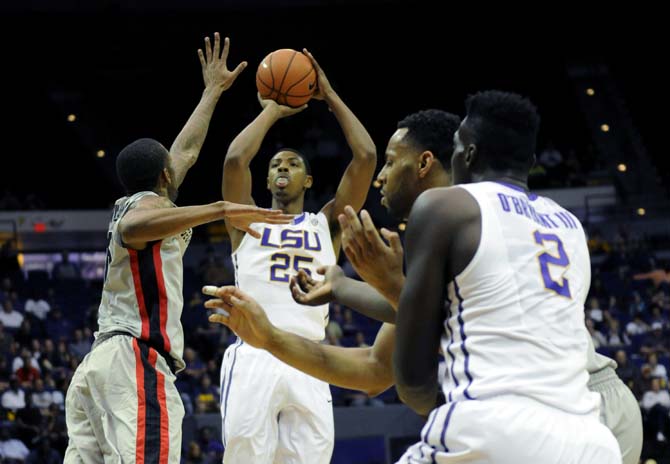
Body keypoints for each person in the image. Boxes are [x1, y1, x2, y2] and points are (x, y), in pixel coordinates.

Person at [63, 33, 291, 464]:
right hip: (134, 361)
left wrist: (211, 92)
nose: (178, 163)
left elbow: (184, 151)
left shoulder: (148, 198)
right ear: (165, 177)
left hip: (101, 366)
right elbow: (135, 227)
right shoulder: (138, 212)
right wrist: (221, 208)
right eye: (172, 167)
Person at [391, 90, 619, 462]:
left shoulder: (446, 206)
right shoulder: (571, 226)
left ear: (467, 155)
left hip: (493, 427)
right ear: (529, 161)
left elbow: (413, 383)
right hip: (590, 440)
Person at [217, 48, 376, 463]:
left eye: (292, 162)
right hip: (255, 352)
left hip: (309, 353)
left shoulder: (326, 224)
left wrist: (330, 95)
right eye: (274, 164)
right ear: (267, 178)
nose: (282, 167)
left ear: (308, 179)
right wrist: (272, 110)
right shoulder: (245, 218)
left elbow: (366, 157)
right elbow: (236, 159)